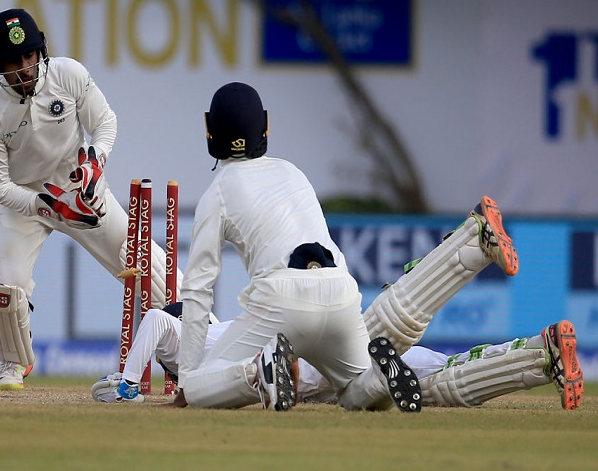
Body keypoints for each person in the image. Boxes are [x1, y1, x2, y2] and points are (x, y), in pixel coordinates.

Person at [171, 81, 520, 413]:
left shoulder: (216, 194)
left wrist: (187, 379)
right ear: (265, 127)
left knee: (201, 386)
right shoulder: (292, 172)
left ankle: (259, 371)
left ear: (209, 130)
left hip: (281, 304)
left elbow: (198, 290)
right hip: (339, 292)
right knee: (355, 390)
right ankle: (381, 378)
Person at [0, 8, 179, 391]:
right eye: (12, 62)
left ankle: (204, 339)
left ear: (40, 52)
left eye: (29, 57)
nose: (23, 68)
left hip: (82, 191)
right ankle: (13, 363)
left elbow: (105, 123)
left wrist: (95, 162)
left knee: (144, 261)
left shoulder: (68, 75)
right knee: (8, 286)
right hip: (25, 203)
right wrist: (43, 205)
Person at [91, 303, 583, 411]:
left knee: (428, 381)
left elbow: (155, 318)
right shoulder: (216, 338)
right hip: (319, 363)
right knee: (436, 376)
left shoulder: (196, 337)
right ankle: (538, 352)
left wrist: (129, 382)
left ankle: (536, 358)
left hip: (293, 362)